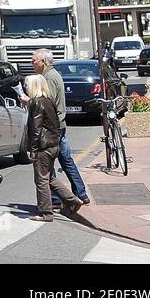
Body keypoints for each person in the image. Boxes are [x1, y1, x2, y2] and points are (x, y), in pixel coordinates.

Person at [33, 49, 90, 205]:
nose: (32, 64)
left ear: (43, 62)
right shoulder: (51, 75)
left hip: (52, 127)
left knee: (47, 165)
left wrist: (29, 101)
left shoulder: (49, 78)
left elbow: (47, 104)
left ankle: (57, 198)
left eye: (34, 61)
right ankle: (80, 193)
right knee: (66, 161)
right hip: (58, 125)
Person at [24, 74, 83, 222]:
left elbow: (36, 129)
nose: (25, 87)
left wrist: (32, 149)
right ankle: (72, 199)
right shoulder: (48, 101)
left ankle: (46, 212)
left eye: (27, 85)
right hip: (53, 144)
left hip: (42, 147)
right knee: (49, 178)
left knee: (41, 180)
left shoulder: (37, 102)